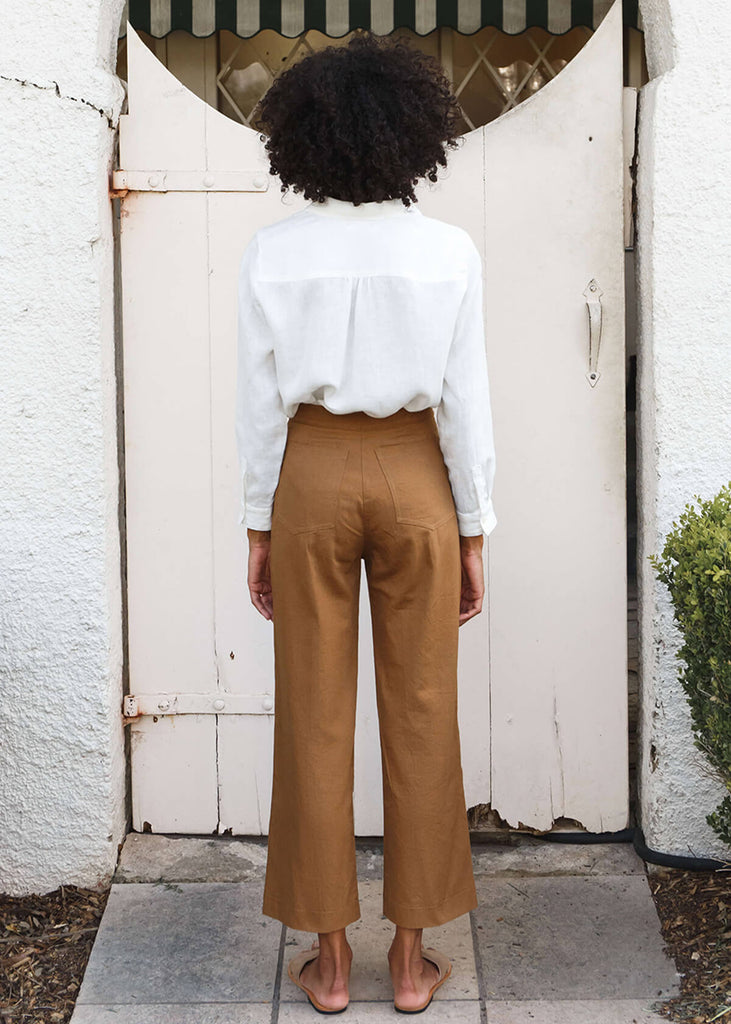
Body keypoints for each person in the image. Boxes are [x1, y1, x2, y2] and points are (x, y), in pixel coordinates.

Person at [235, 30, 497, 1015]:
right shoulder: (446, 252)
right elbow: (464, 401)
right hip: (417, 472)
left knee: (311, 708)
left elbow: (257, 406)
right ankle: (412, 960)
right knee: (422, 706)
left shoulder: (274, 252)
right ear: (411, 135)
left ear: (301, 138)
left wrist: (256, 524)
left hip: (308, 468)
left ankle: (331, 962)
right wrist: (473, 529)